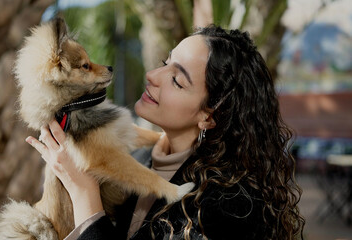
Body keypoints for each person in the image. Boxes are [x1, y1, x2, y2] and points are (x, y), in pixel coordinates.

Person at [26, 25, 305, 239]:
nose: (152, 76)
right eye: (164, 63)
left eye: (177, 80)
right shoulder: (143, 160)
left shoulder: (229, 206)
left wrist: (84, 193)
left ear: (209, 116)